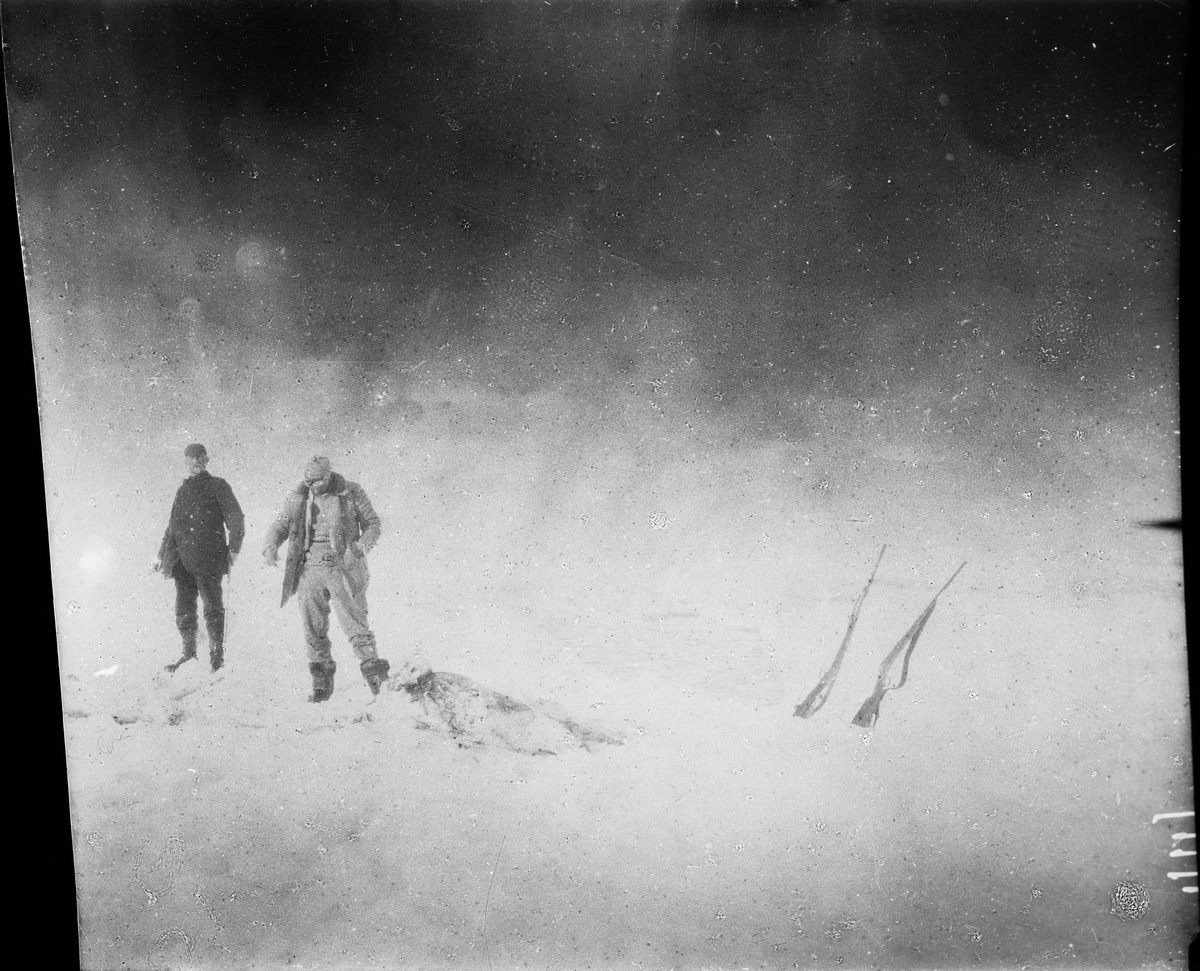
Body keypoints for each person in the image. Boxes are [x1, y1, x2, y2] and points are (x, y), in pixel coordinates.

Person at [261, 456, 390, 702]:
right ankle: (321, 685)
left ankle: (377, 682)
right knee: (312, 626)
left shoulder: (350, 492)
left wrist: (360, 547)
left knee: (355, 623)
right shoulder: (298, 496)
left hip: (342, 567)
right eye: (308, 481)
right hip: (309, 568)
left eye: (318, 481)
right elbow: (281, 525)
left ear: (329, 476)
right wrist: (270, 546)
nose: (313, 486)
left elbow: (373, 523)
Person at [155, 443, 245, 673]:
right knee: (183, 609)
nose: (195, 462)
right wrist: (161, 555)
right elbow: (171, 527)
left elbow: (235, 518)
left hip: (209, 558)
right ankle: (188, 655)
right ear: (185, 461)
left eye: (199, 457)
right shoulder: (182, 491)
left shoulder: (218, 486)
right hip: (181, 560)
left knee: (213, 607)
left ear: (206, 460)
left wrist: (234, 548)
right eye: (191, 458)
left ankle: (217, 658)